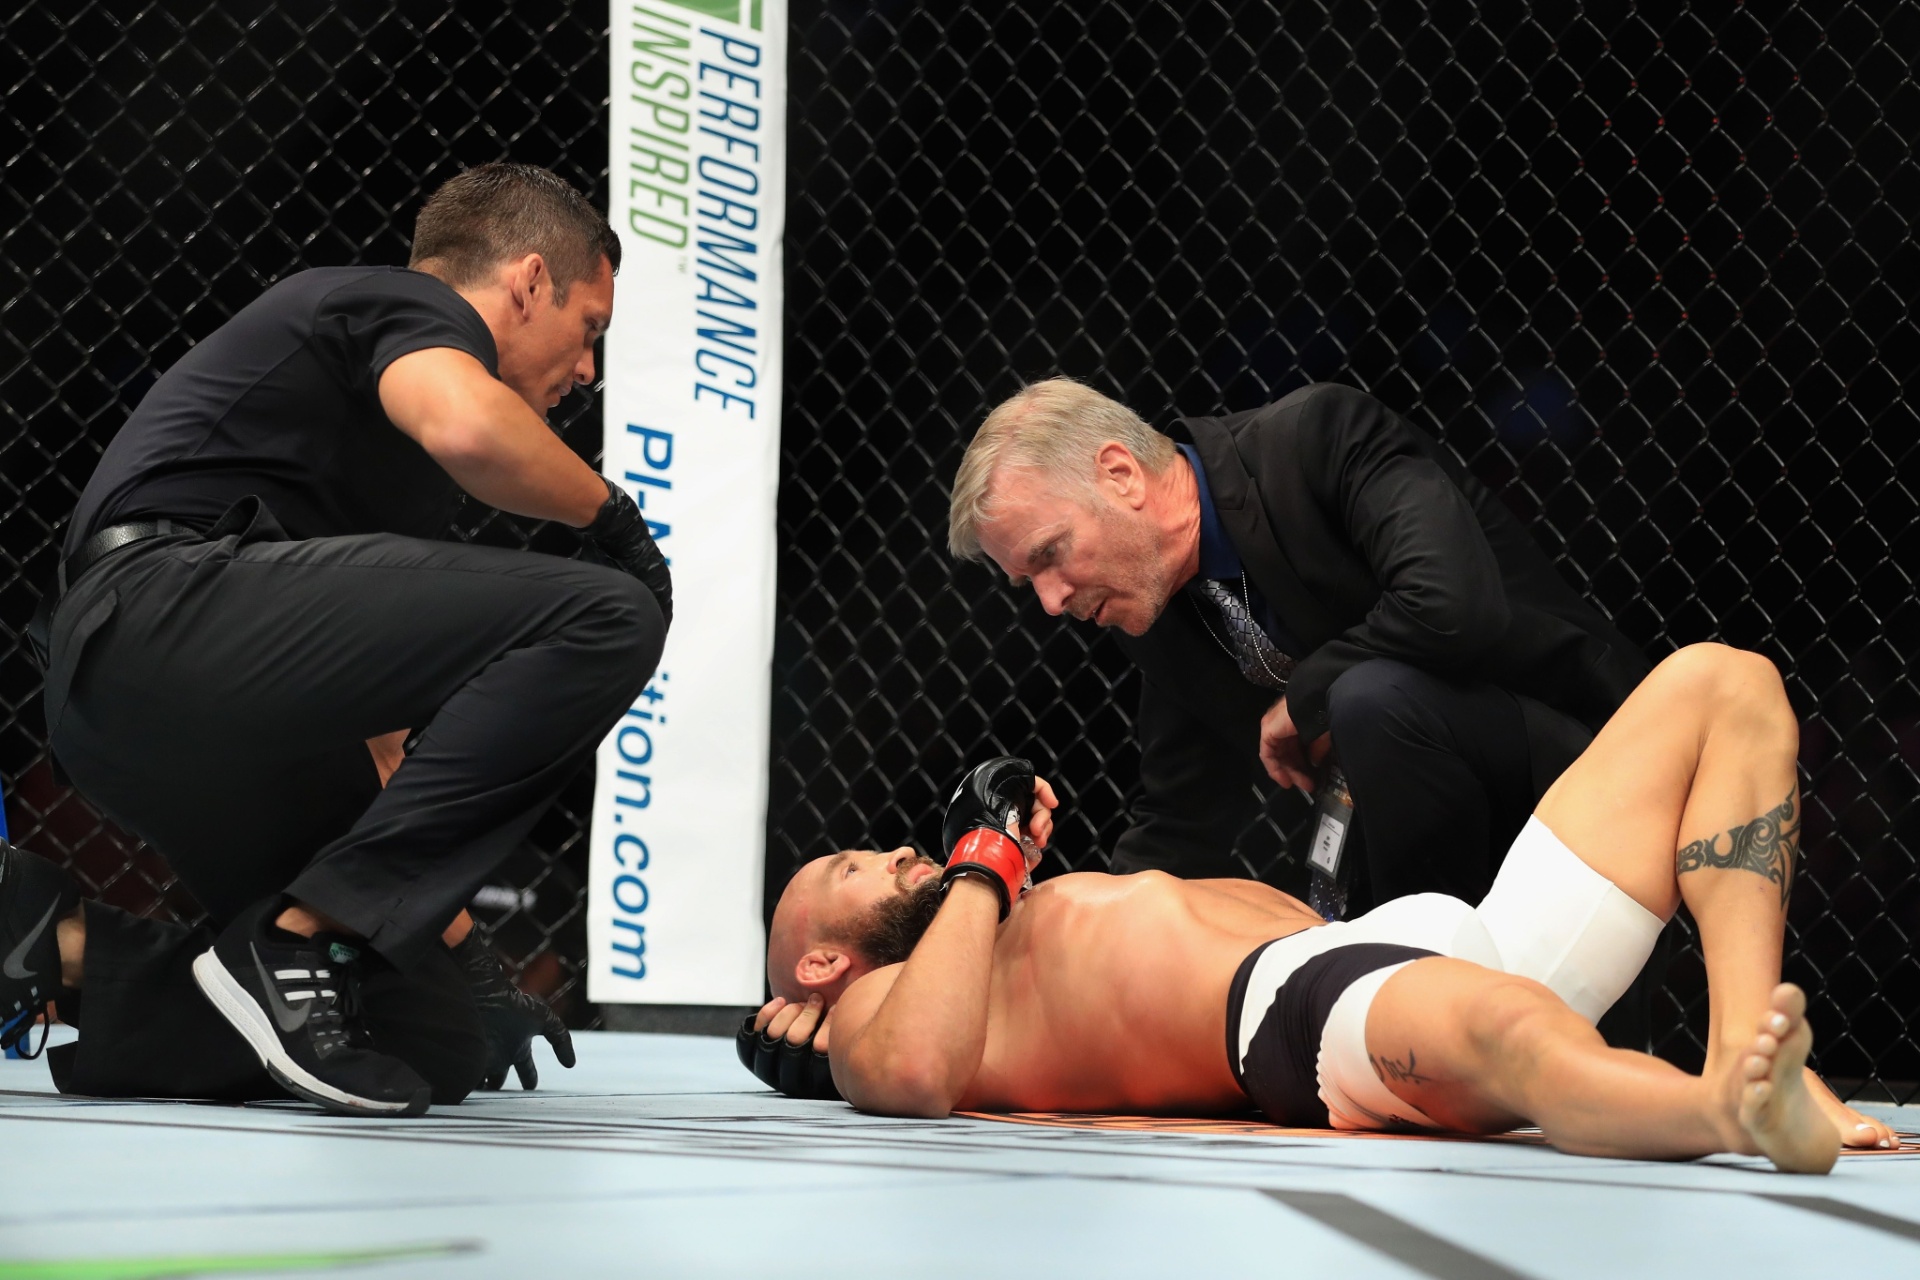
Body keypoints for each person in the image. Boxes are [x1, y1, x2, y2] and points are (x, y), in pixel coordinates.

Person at [4, 164, 668, 1116]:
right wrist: (614, 520)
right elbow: (471, 430)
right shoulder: (398, 305)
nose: (588, 370)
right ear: (528, 282)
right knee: (607, 612)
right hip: (158, 617)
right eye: (589, 328)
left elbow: (386, 749)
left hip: (199, 706)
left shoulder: (384, 477)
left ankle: (51, 948)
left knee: (429, 1037)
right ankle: (296, 937)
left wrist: (470, 965)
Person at [753, 644, 1896, 1167]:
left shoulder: (1002, 926)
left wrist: (999, 873)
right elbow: (914, 1072)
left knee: (1722, 682)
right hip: (1301, 1017)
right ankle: (1726, 1111)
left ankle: (1750, 1045)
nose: (893, 850)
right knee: (1514, 1031)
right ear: (821, 964)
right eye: (853, 866)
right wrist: (983, 860)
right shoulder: (892, 1006)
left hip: (1395, 943)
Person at [945, 380, 1663, 1044]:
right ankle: (1413, 1014)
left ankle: (1422, 1009)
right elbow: (1179, 821)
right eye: (1028, 581)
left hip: (1585, 770)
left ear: (1120, 474)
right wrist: (1042, 933)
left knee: (1369, 700)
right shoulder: (1155, 609)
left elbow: (1451, 603)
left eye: (1050, 554)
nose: (1051, 601)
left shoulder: (1313, 438)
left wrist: (1301, 698)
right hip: (1416, 849)